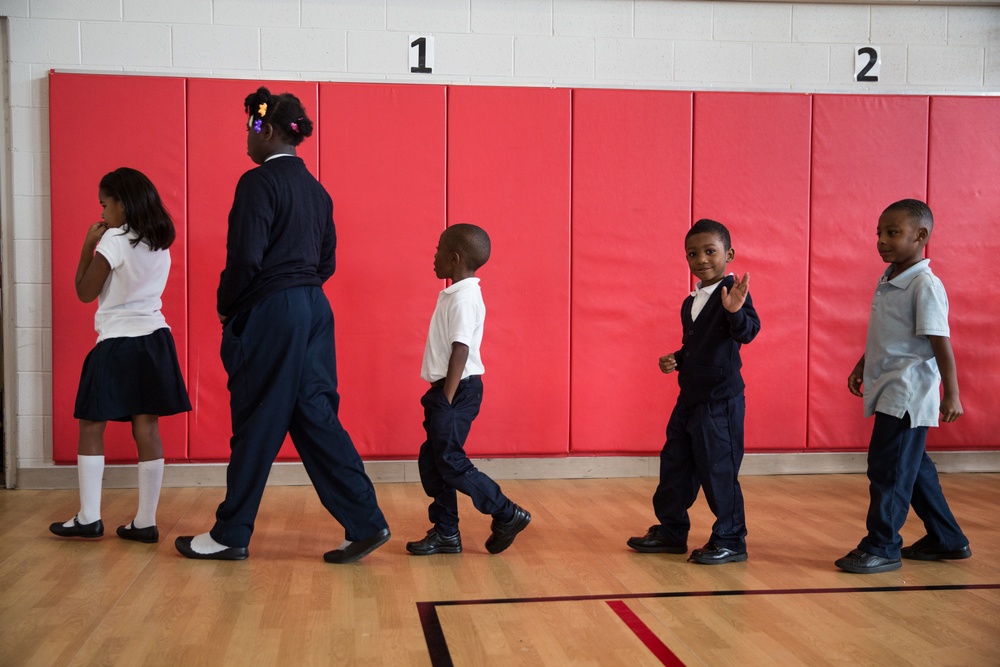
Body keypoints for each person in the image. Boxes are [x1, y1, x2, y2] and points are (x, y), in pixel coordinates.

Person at [174, 87, 389, 563]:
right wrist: (300, 291)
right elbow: (326, 261)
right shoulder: (317, 191)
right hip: (315, 309)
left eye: (251, 127)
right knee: (315, 416)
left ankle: (231, 533)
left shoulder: (256, 183)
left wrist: (227, 306)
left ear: (266, 129)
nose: (247, 138)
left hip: (274, 312)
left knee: (256, 419)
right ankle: (367, 521)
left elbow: (246, 259)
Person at [49, 167, 191, 544]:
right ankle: (145, 522)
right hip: (155, 339)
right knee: (147, 427)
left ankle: (88, 517)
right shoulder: (160, 239)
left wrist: (86, 247)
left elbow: (83, 291)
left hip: (117, 341)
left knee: (92, 425)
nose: (102, 214)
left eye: (105, 204)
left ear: (122, 204)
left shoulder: (113, 238)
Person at [835, 199, 971, 574]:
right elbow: (887, 334)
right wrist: (863, 364)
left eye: (892, 233)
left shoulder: (924, 284)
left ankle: (883, 546)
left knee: (888, 471)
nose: (881, 240)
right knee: (914, 469)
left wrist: (952, 393)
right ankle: (947, 538)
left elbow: (939, 341)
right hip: (888, 387)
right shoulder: (891, 276)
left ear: (921, 236)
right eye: (879, 233)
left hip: (907, 394)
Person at [627, 218, 759, 565]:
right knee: (675, 466)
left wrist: (735, 313)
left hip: (720, 401)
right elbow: (699, 345)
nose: (701, 259)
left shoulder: (734, 294)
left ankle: (730, 539)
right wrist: (677, 358)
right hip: (689, 399)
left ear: (728, 253)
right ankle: (671, 531)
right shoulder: (691, 302)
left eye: (710, 251)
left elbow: (747, 332)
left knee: (718, 471)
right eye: (692, 253)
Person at [404, 224, 531, 556]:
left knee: (448, 460)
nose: (433, 257)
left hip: (456, 391)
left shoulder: (463, 298)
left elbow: (460, 349)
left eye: (437, 251)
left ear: (453, 257)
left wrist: (445, 399)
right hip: (449, 390)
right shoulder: (456, 294)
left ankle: (506, 512)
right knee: (433, 460)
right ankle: (446, 532)